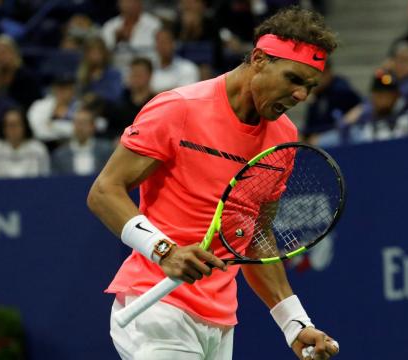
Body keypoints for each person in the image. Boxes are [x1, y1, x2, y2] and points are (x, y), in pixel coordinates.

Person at [87, 7, 340, 360]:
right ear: (259, 58)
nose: (301, 96)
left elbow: (256, 239)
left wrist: (294, 322)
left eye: (310, 87)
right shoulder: (179, 109)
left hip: (220, 324)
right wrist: (165, 251)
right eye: (294, 79)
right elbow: (104, 192)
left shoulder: (283, 138)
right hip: (157, 310)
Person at [0, 108, 51, 179]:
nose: (13, 129)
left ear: (24, 126)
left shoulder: (37, 148)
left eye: (16, 124)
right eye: (9, 125)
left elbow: (44, 177)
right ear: (3, 128)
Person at [52, 107, 113, 176]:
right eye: (77, 123)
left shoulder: (106, 150)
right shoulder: (60, 155)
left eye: (84, 123)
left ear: (93, 126)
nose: (80, 127)